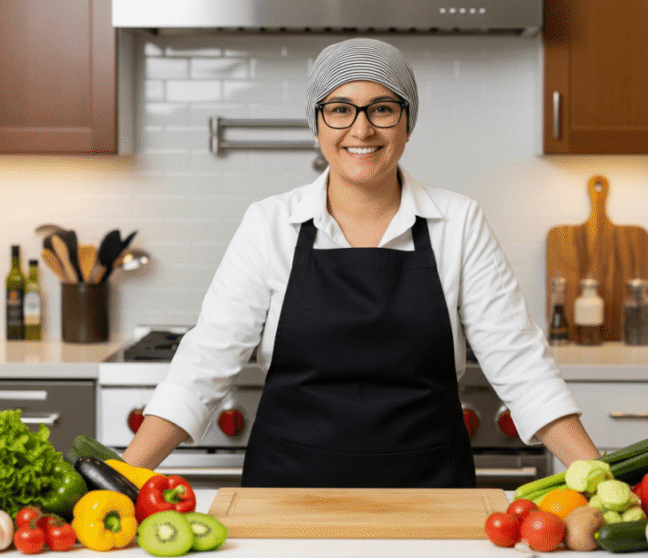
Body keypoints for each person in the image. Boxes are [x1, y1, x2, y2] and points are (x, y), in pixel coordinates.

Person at [123, 38, 601, 488]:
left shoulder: (458, 221)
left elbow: (520, 363)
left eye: (383, 109)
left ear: (408, 123)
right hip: (287, 490)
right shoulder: (270, 224)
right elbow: (204, 365)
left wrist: (598, 478)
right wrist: (123, 479)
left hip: (430, 491)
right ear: (316, 126)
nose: (361, 129)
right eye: (339, 109)